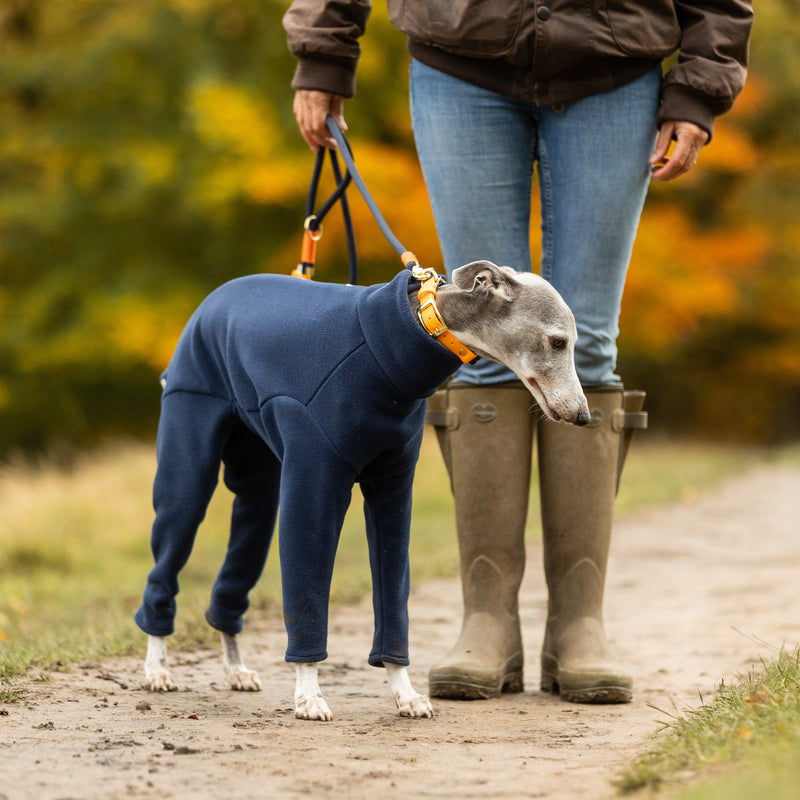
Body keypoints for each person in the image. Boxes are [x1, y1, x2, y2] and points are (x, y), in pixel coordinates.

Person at [283, 1, 753, 703]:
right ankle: (486, 621)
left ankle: (580, 626)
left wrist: (700, 82)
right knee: (476, 337)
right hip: (459, 63)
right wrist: (324, 51)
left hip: (616, 68)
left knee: (585, 345)